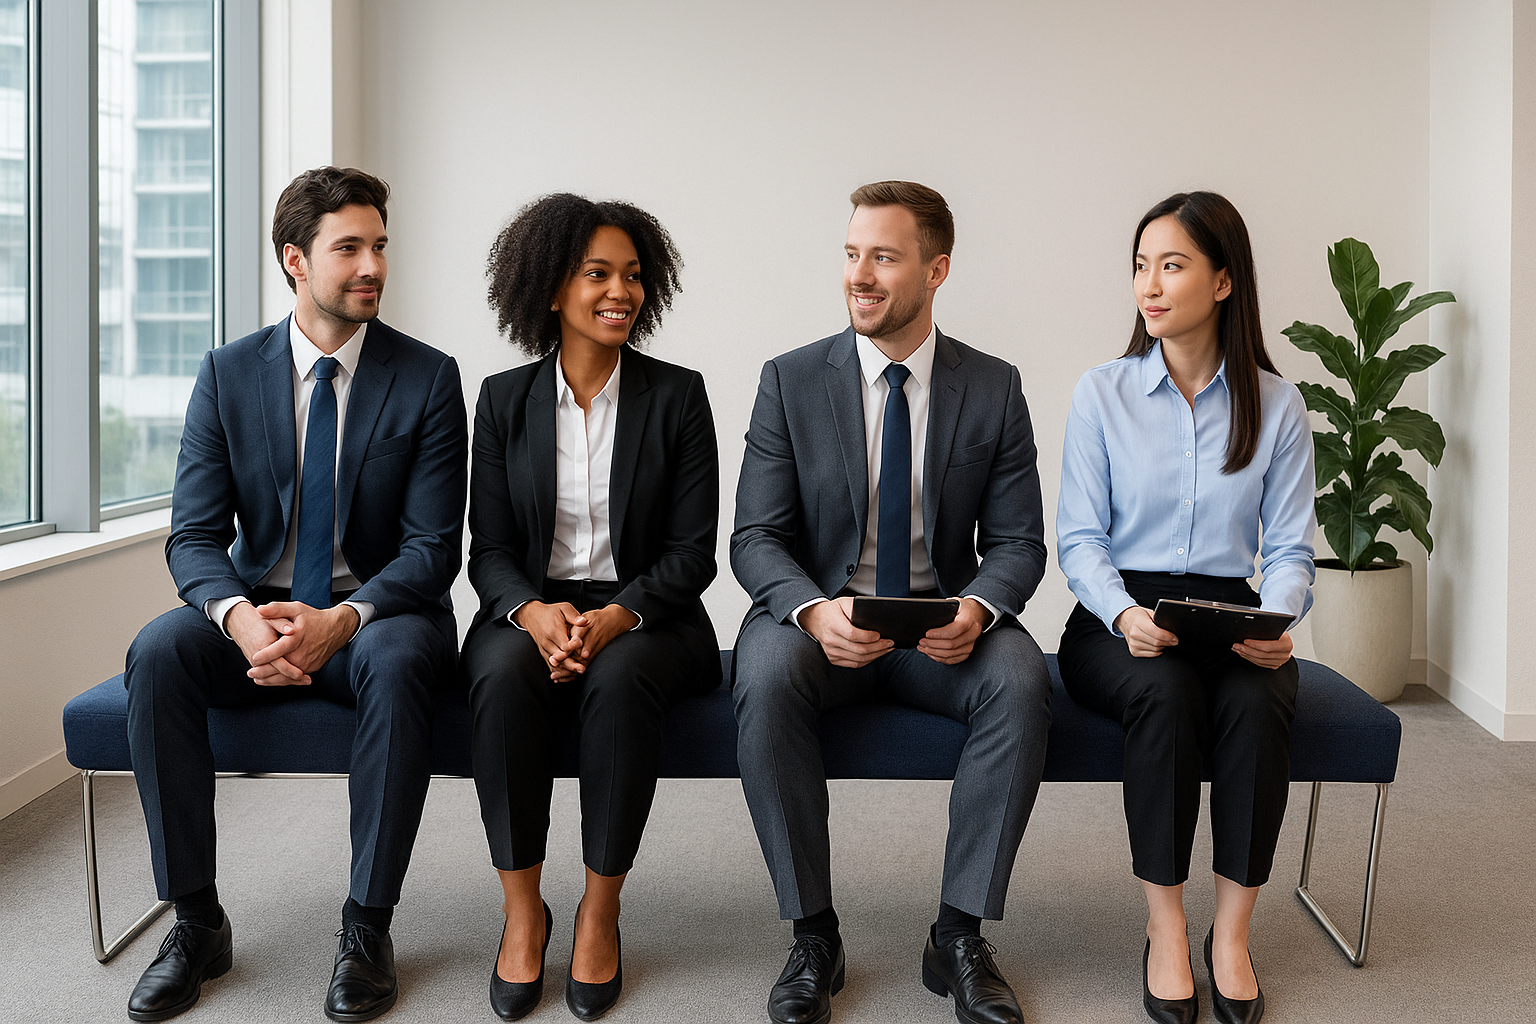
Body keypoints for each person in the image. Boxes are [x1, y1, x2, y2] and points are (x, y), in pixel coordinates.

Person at [121, 166, 467, 1023]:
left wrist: (341, 618)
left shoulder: (427, 377)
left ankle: (366, 926)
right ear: (294, 259)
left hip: (375, 613)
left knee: (395, 656)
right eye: (348, 247)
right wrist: (239, 619)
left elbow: (432, 550)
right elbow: (194, 537)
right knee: (159, 648)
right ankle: (197, 921)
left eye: (379, 246)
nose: (372, 265)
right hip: (257, 610)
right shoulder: (228, 372)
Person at [730, 181, 1052, 1024]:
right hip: (823, 621)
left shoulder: (993, 385)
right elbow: (755, 537)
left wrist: (977, 610)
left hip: (941, 628)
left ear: (936, 269)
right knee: (762, 674)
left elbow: (1018, 543)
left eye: (883, 256)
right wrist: (810, 611)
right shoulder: (791, 380)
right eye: (850, 254)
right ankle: (812, 936)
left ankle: (958, 934)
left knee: (1021, 681)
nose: (858, 275)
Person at [1055, 191, 1316, 1024]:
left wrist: (1277, 621)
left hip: (1231, 609)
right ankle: (1166, 927)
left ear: (1224, 280)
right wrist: (1126, 616)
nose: (1150, 285)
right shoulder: (1103, 394)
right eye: (1140, 266)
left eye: (1172, 265)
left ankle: (1230, 933)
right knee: (1163, 693)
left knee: (1262, 695)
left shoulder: (1278, 406)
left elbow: (1287, 550)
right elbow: (1081, 539)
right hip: (1117, 614)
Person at [461, 193, 720, 1022]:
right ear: (549, 290)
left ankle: (600, 910)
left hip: (651, 615)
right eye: (597, 273)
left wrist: (616, 617)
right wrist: (533, 614)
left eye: (634, 276)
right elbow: (490, 550)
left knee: (618, 681)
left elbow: (691, 553)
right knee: (501, 679)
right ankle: (522, 909)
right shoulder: (503, 401)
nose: (622, 291)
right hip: (530, 610)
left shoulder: (678, 397)